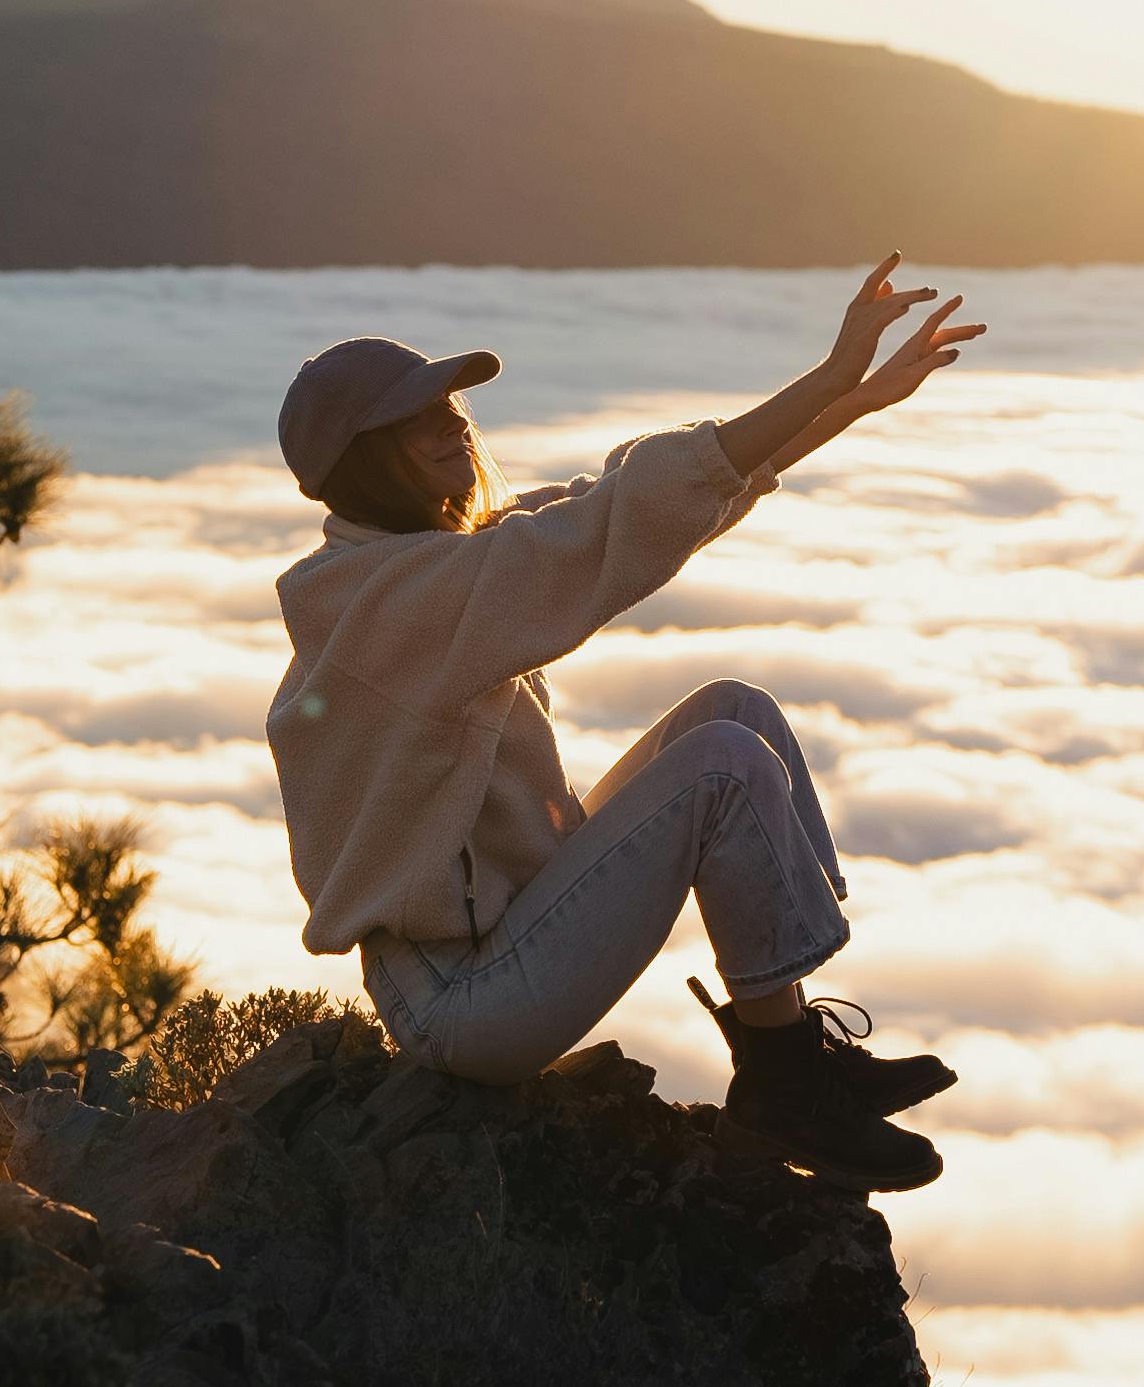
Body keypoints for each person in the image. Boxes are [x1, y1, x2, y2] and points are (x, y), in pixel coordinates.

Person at [265, 258, 984, 1187]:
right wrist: (828, 378)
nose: (449, 422)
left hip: (510, 921)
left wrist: (849, 405)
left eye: (447, 405)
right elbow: (609, 523)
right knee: (723, 766)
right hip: (463, 997)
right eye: (412, 419)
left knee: (733, 713)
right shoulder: (389, 601)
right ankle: (784, 1085)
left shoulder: (430, 564)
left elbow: (623, 511)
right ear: (359, 464)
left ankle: (790, 1042)